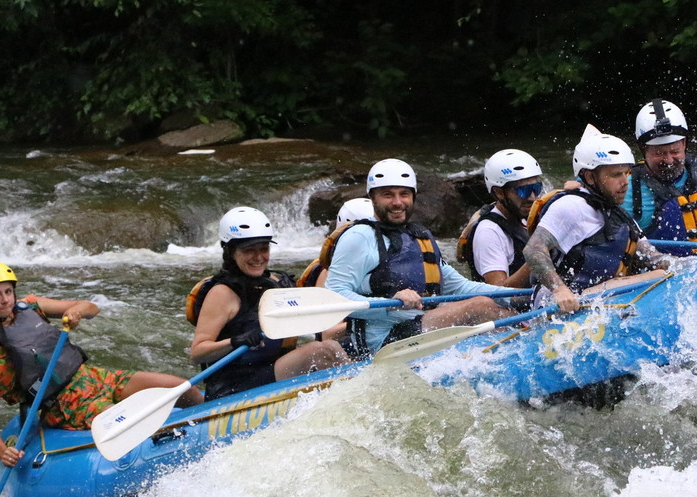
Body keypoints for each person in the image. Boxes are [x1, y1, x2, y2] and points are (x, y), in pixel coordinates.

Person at [0, 260, 204, 466]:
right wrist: (3, 452)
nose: (5, 300)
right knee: (130, 423)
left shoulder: (30, 306)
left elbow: (91, 307)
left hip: (93, 377)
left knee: (182, 386)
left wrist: (76, 312)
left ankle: (216, 419)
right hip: (64, 405)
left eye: (8, 291)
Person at [324, 158, 520, 357]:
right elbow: (335, 296)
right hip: (383, 344)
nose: (398, 202)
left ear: (413, 197)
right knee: (480, 307)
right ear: (373, 197)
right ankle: (525, 350)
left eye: (404, 194)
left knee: (498, 306)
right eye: (387, 195)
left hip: (419, 328)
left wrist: (516, 295)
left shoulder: (418, 237)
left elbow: (460, 287)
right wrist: (390, 305)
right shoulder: (358, 237)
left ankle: (521, 348)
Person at [189, 207, 348, 400]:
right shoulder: (222, 293)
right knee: (319, 352)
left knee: (331, 347)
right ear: (230, 251)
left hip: (271, 370)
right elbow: (197, 352)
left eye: (263, 248)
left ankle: (354, 394)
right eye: (249, 250)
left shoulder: (275, 283)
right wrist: (234, 341)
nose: (258, 257)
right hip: (232, 387)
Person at [524, 127, 669, 314]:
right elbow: (533, 250)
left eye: (627, 173)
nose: (625, 182)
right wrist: (559, 289)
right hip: (557, 304)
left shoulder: (617, 213)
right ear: (590, 177)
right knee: (660, 276)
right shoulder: (571, 206)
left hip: (595, 299)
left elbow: (655, 258)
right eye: (616, 175)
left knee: (661, 273)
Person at [624, 99, 697, 255]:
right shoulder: (625, 188)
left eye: (675, 151)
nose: (669, 160)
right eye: (659, 153)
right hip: (670, 273)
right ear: (643, 149)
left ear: (684, 143)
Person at [457, 149, 543, 287]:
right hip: (507, 308)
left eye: (536, 188)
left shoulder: (527, 217)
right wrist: (539, 258)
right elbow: (499, 292)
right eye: (523, 191)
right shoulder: (489, 232)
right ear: (499, 193)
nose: (532, 197)